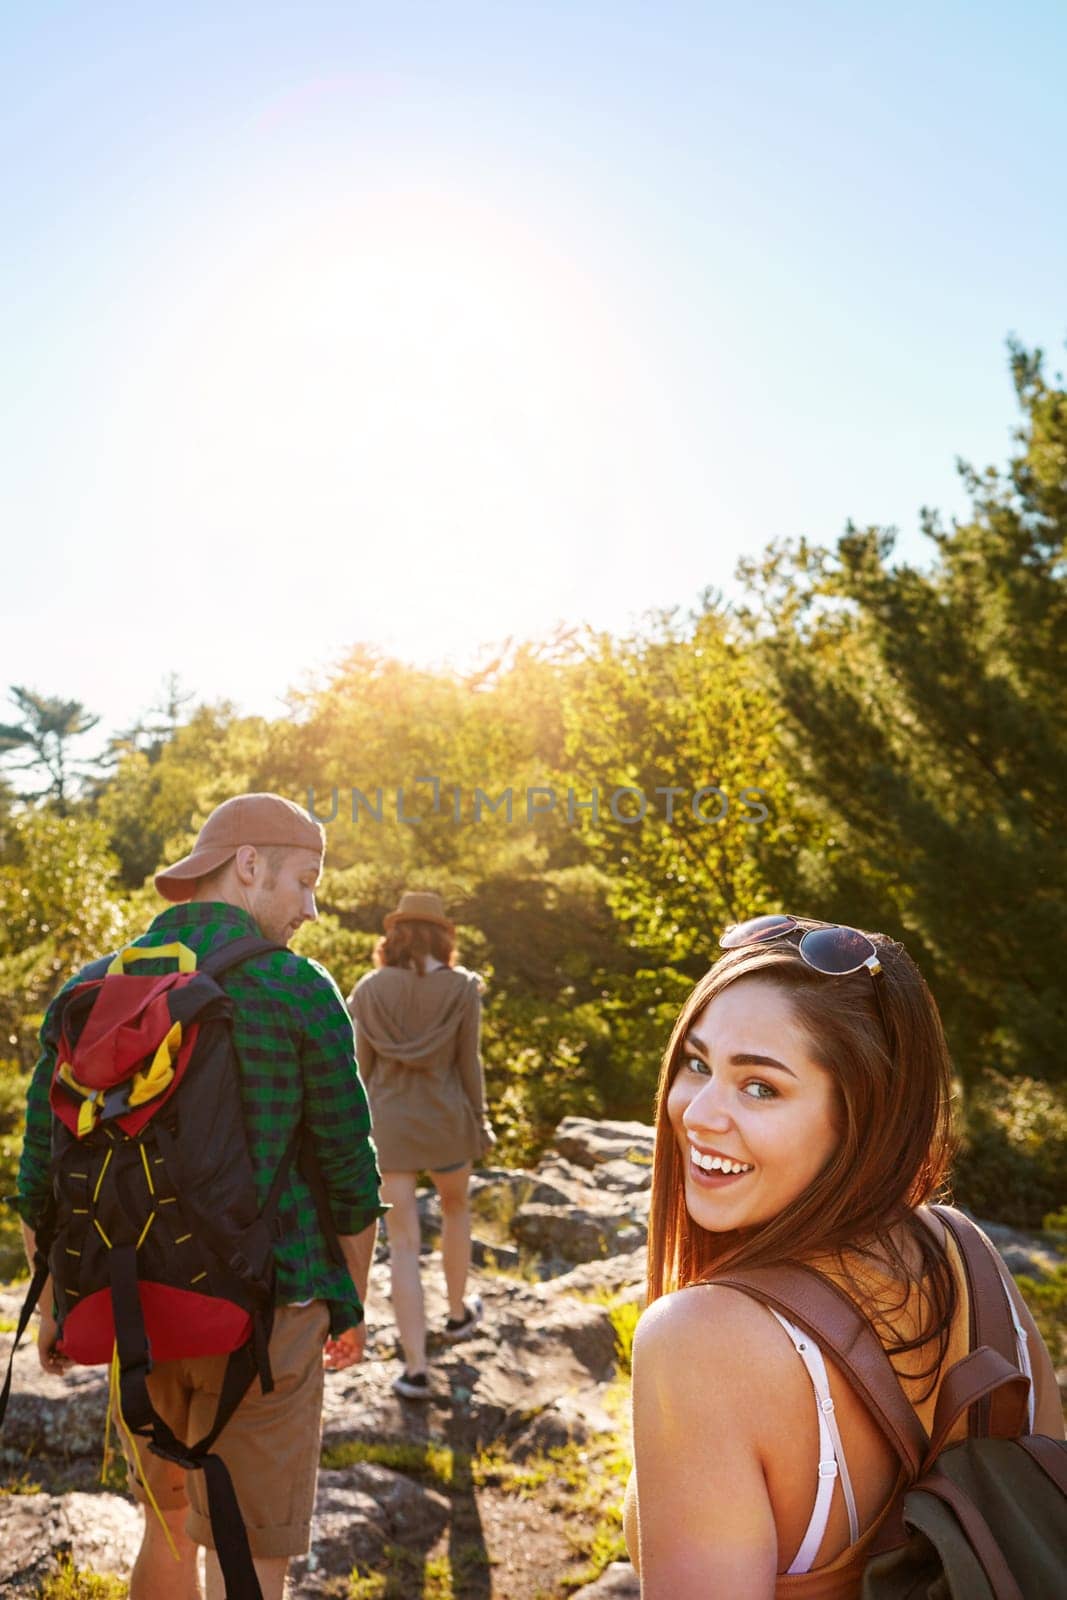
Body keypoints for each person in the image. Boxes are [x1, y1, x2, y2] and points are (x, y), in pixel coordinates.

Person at [13, 792, 386, 1600]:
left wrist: (54, 1306)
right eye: (305, 883)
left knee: (168, 1530)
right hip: (269, 1310)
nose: (311, 908)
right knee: (249, 1556)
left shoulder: (93, 986)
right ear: (248, 866)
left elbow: (39, 1171)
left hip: (134, 1303)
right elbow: (350, 1171)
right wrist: (346, 1300)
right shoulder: (296, 988)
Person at [625, 913, 1063, 1599]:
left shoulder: (698, 1340)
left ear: (860, 1118)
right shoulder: (968, 1257)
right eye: (696, 1063)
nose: (698, 1112)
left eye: (759, 1086)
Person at [347, 891, 494, 1401]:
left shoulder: (368, 991)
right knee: (457, 1212)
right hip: (447, 1121)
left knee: (402, 1244)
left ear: (395, 935)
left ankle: (415, 1369)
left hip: (388, 1128)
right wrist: (481, 1120)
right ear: (442, 936)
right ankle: (457, 1315)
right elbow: (467, 1064)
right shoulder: (462, 988)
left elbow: (358, 1069)